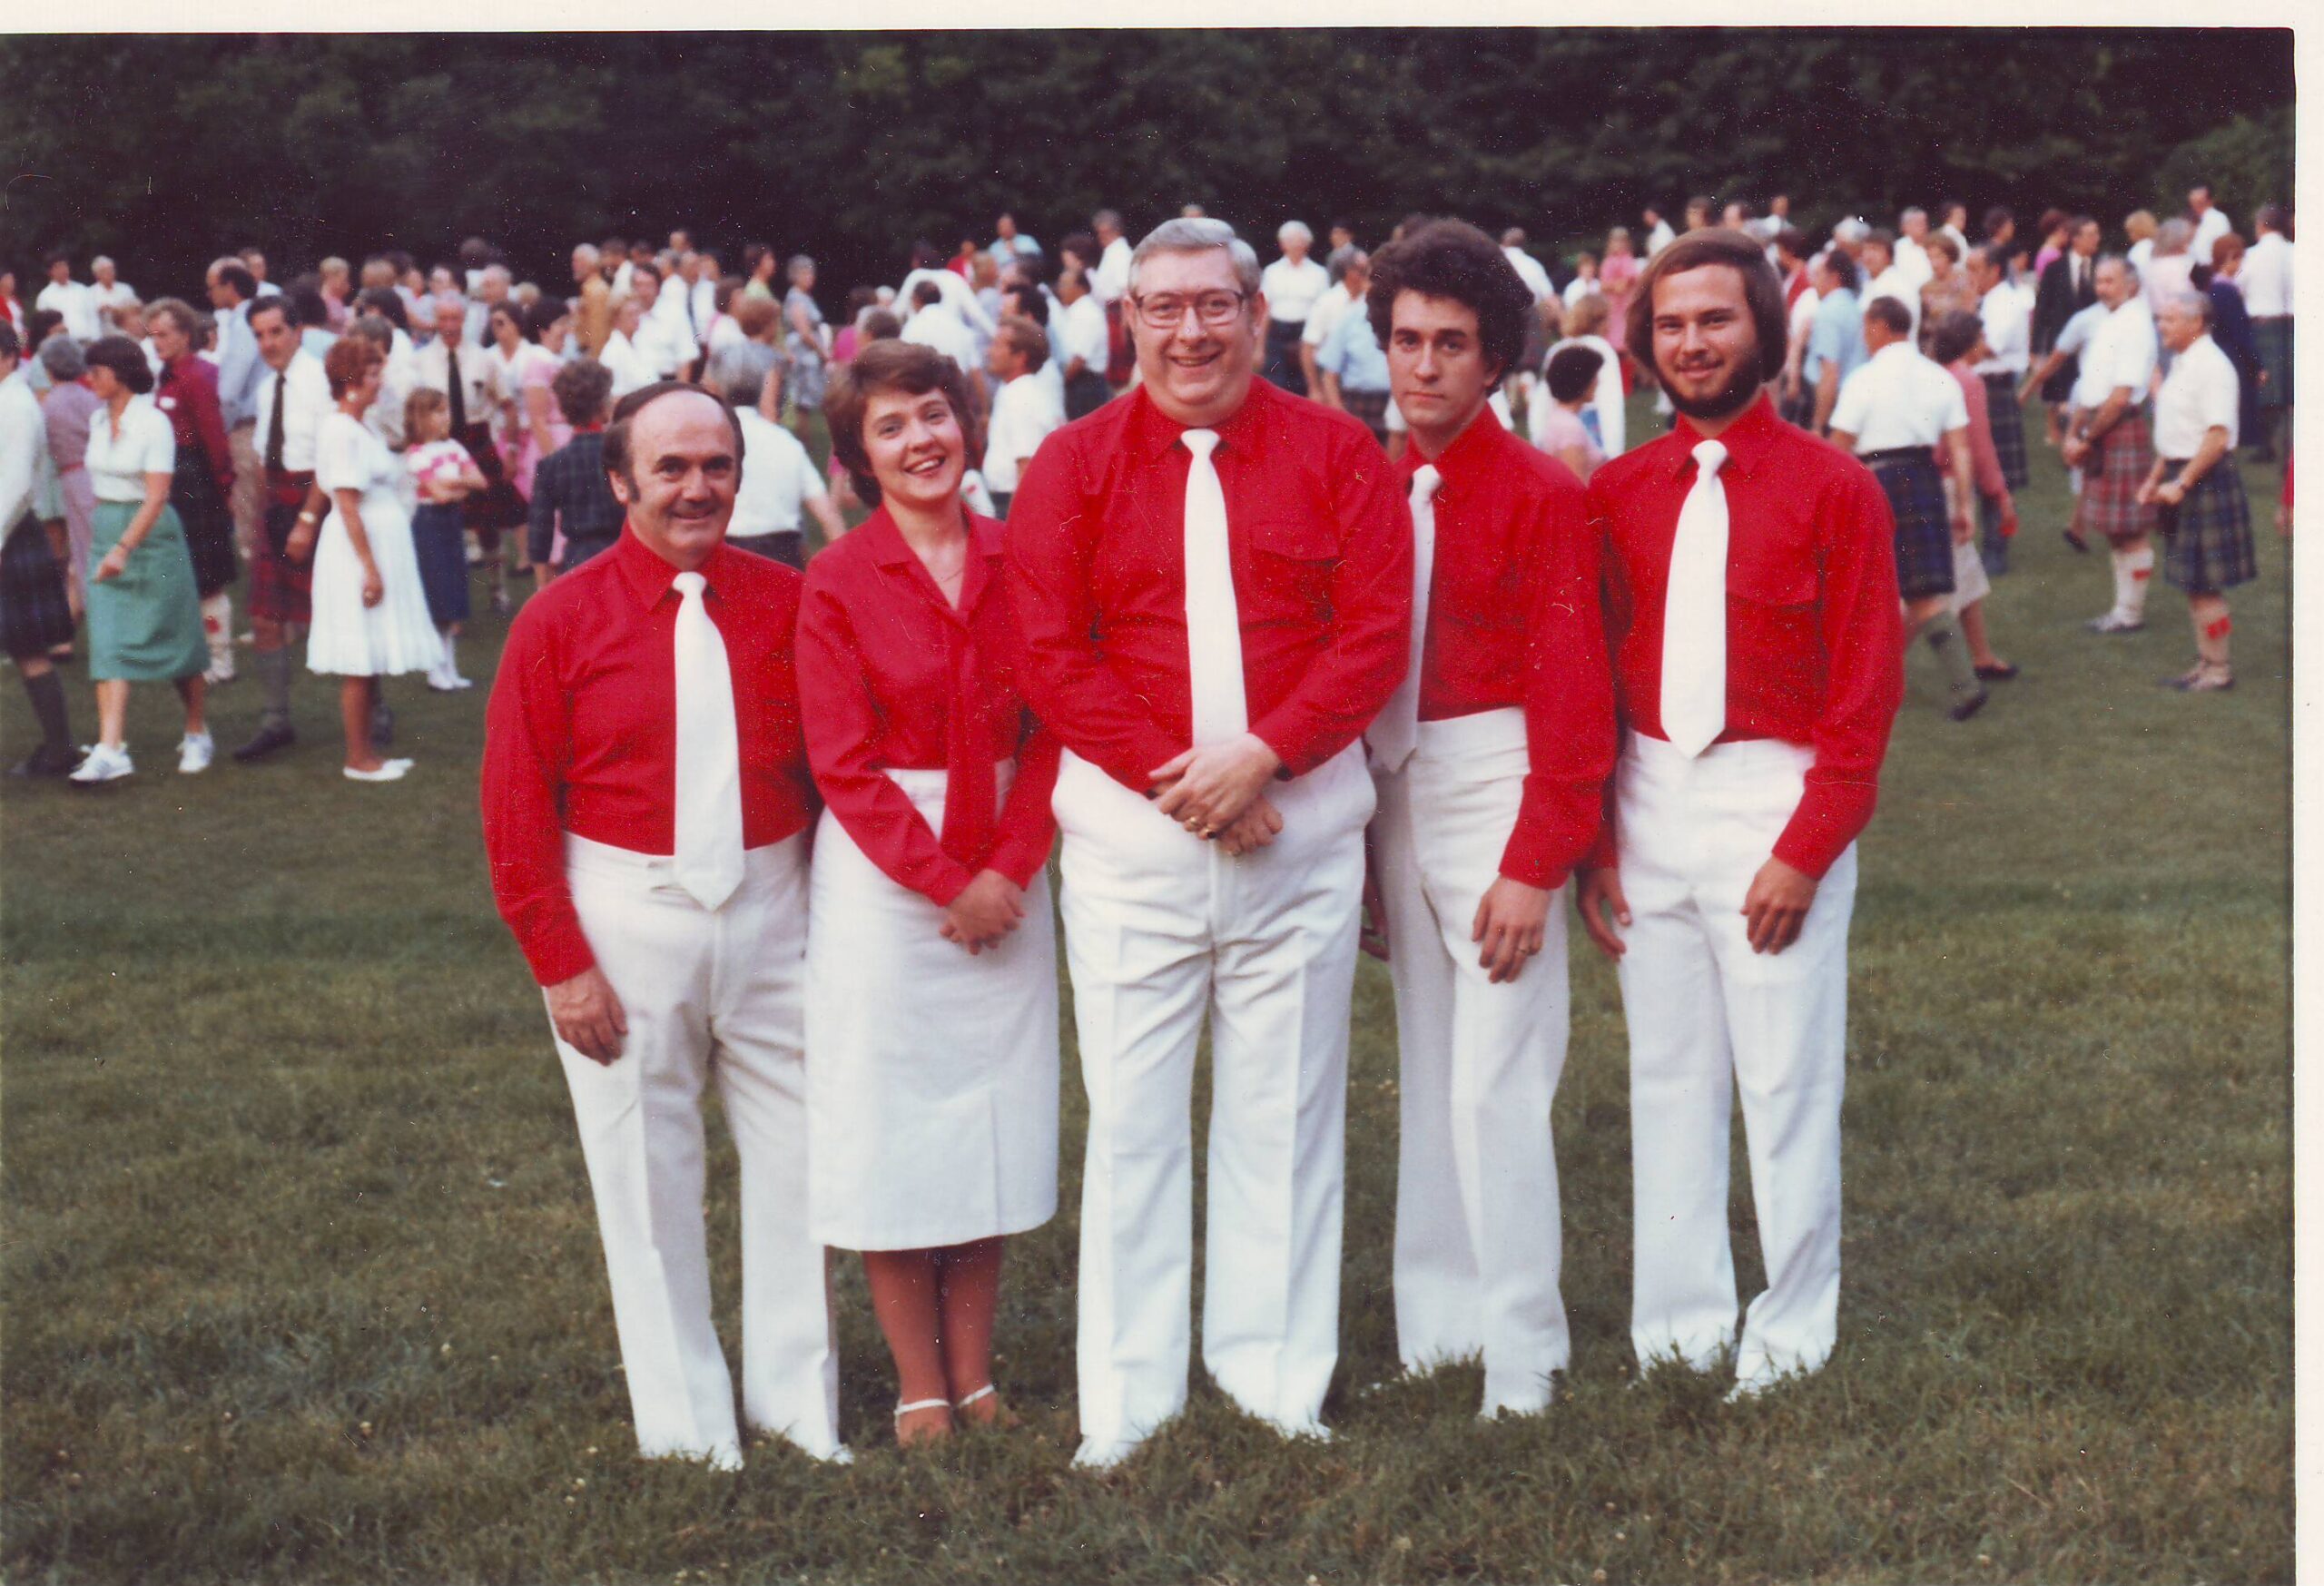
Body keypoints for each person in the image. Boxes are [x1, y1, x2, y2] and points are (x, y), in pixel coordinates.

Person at [1007, 217, 1408, 1469]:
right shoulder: (1071, 463)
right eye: (1163, 308)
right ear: (1128, 322)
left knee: (1283, 1119)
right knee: (1133, 1125)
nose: (1190, 332)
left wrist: (1266, 754)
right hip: (1135, 852)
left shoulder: (1337, 452)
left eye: (1213, 305)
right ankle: (1128, 1403)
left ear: (1257, 313)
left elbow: (1372, 634)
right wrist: (1187, 782)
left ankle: (1272, 1378)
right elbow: (1049, 651)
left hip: (1299, 839)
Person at [481, 380, 847, 1471]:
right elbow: (514, 803)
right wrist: (561, 963)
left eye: (715, 466)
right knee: (646, 1176)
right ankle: (689, 1425)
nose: (695, 488)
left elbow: (840, 769)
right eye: (671, 467)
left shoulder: (790, 602)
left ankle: (799, 1403)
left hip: (777, 904)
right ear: (620, 480)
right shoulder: (559, 620)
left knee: (803, 1163)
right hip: (626, 915)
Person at [1576, 227, 1904, 1400]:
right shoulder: (1617, 491)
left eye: (1715, 318)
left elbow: (1864, 692)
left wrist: (1806, 850)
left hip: (1777, 795)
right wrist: (1600, 845)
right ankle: (1678, 1326)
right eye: (1670, 324)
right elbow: (1595, 680)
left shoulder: (1835, 486)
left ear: (1763, 326)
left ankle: (1793, 1327)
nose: (1692, 342)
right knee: (1668, 1077)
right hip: (1652, 796)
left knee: (1784, 1078)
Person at [1361, 220, 1613, 1420]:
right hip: (1395, 792)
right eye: (1407, 340)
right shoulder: (1373, 485)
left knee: (1495, 1083)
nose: (1424, 365)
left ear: (1495, 359)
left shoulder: (1541, 493)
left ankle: (1522, 1356)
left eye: (1451, 344)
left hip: (1499, 786)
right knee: (1429, 1066)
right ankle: (1438, 1326)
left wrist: (1535, 859)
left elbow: (1573, 693)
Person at [794, 339, 1061, 1447]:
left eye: (936, 414)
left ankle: (977, 1374)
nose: (921, 440)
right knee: (893, 1124)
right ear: (860, 456)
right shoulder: (837, 578)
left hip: (1008, 856)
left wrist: (1007, 867)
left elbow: (1053, 730)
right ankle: (918, 1383)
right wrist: (949, 881)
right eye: (891, 426)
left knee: (988, 1117)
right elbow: (842, 762)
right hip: (885, 880)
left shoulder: (1022, 555)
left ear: (969, 424)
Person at [1828, 294, 1986, 722]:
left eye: (1867, 327)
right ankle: (1961, 684)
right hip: (1926, 480)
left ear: (1880, 327)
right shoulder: (1939, 378)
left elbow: (1839, 446)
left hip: (1878, 482)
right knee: (1923, 592)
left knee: (1873, 592)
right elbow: (1960, 449)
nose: (1865, 336)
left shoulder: (1863, 379)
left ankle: (1863, 686)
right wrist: (1965, 504)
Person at [69, 336, 214, 784]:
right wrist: (104, 543)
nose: (91, 378)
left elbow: (156, 497)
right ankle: (111, 749)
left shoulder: (153, 423)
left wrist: (124, 548)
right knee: (108, 639)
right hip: (107, 530)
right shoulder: (97, 419)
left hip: (152, 537)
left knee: (176, 636)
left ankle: (197, 731)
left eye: (98, 371)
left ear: (120, 372)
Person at [306, 336, 438, 778]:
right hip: (356, 553)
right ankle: (358, 759)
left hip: (378, 543)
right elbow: (347, 505)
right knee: (358, 659)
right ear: (351, 381)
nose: (380, 382)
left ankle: (367, 753)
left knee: (369, 653)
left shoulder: (363, 426)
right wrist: (369, 568)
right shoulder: (341, 430)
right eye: (373, 374)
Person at [234, 296, 335, 762]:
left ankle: (374, 711)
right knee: (264, 618)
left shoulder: (320, 381)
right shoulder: (265, 388)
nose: (268, 343)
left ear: (296, 331)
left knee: (337, 613)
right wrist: (260, 518)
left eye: (276, 332)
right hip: (277, 503)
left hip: (316, 501)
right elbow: (261, 460)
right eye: (259, 335)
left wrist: (308, 521)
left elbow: (332, 459)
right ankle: (276, 722)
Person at [2140, 291, 2255, 692]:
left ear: (2196, 323)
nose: (2161, 326)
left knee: (2206, 586)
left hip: (2204, 478)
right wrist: (2155, 478)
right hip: (2183, 474)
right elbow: (2179, 431)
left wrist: (2182, 482)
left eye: (2169, 319)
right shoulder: (2183, 362)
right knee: (2194, 583)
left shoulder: (2212, 367)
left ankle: (2219, 668)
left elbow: (2218, 435)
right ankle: (2206, 662)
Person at [2061, 258, 2162, 632]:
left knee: (2130, 529)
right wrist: (2073, 433)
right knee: (2116, 529)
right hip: (2101, 425)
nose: (2102, 288)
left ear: (2131, 285)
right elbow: (2092, 385)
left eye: (2110, 281)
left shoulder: (2135, 324)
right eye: (2099, 281)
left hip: (2119, 427)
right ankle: (2123, 610)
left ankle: (2130, 614)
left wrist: (2086, 439)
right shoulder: (2110, 320)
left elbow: (2119, 397)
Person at [145, 299, 240, 685]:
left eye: (164, 334)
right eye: (153, 335)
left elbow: (214, 437)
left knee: (207, 575)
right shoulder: (167, 374)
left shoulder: (199, 375)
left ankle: (221, 658)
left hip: (197, 477)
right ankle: (196, 652)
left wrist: (224, 486)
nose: (157, 342)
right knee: (185, 571)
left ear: (186, 335)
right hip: (174, 478)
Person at [1, 324, 80, 776]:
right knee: (23, 647)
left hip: (8, 532)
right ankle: (58, 747)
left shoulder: (15, 404)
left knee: (28, 647)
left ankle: (60, 749)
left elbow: (15, 485)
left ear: (10, 356)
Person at [1926, 309, 2018, 682]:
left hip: (1927, 481)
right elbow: (1979, 446)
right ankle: (1875, 670)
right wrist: (2000, 493)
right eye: (1982, 339)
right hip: (1949, 485)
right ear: (1969, 343)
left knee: (1967, 574)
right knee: (1940, 584)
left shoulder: (1934, 375)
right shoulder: (1968, 381)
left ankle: (1982, 656)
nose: (1986, 345)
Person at [415, 292, 515, 615]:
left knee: (489, 525)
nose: (449, 326)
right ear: (435, 320)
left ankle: (498, 589)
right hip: (438, 445)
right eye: (442, 319)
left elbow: (507, 405)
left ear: (465, 319)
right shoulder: (420, 361)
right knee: (442, 524)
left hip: (478, 442)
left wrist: (511, 449)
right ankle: (445, 598)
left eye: (455, 319)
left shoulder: (484, 359)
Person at [720, 351, 844, 567]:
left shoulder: (715, 438)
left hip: (728, 555)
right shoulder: (785, 441)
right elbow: (828, 516)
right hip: (784, 556)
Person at [404, 388, 487, 690]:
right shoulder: (417, 453)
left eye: (446, 411)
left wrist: (453, 482)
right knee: (437, 596)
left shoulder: (453, 447)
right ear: (420, 418)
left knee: (451, 595)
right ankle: (435, 670)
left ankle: (450, 668)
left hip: (451, 522)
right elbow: (438, 495)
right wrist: (459, 486)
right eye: (437, 412)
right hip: (430, 524)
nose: (445, 417)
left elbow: (480, 481)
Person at [1966, 244, 2032, 573]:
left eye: (1974, 269)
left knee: (1997, 473)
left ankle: (1996, 552)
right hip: (1980, 388)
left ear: (1993, 270)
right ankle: (1987, 547)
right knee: (1980, 470)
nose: (1969, 277)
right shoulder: (1987, 301)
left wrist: (1961, 331)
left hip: (1995, 390)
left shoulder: (2005, 302)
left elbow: (1987, 348)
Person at [527, 359, 624, 576]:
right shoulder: (622, 457)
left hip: (577, 562)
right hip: (621, 555)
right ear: (602, 406)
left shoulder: (551, 465)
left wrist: (543, 584)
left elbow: (539, 533)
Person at [38, 335, 100, 618]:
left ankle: (92, 604)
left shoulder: (49, 404)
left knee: (85, 544)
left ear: (49, 368)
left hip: (73, 476)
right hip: (94, 472)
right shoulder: (90, 397)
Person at [981, 316, 1064, 519]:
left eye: (997, 345)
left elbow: (1026, 468)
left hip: (1011, 502)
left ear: (1020, 357)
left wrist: (1016, 525)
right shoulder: (1017, 390)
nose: (988, 352)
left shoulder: (1021, 397)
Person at [1314, 261, 1393, 447]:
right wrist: (1341, 415)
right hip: (1356, 405)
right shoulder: (1349, 321)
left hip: (1393, 404)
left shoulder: (1401, 321)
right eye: (1374, 282)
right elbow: (1329, 375)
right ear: (1364, 284)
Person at [1547, 293, 1626, 460]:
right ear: (1599, 320)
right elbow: (1610, 402)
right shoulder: (1602, 349)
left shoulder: (1558, 349)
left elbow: (1545, 399)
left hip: (1556, 426)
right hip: (1592, 428)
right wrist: (1614, 451)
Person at [2241, 206, 2293, 461]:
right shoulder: (2297, 253)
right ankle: (2287, 446)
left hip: (2263, 324)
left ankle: (2268, 446)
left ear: (2262, 225)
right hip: (2294, 323)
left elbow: (2239, 288)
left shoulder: (2250, 256)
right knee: (2291, 387)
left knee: (2265, 386)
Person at [1259, 221, 1331, 395]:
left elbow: (1325, 312)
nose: (1295, 246)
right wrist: (1259, 347)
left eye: (1300, 241)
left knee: (1304, 387)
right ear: (1282, 244)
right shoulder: (1272, 272)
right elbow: (1265, 310)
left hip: (1306, 334)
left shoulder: (1319, 273)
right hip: (1277, 334)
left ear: (1308, 245)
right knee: (1275, 385)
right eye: (1290, 241)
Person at [1805, 250, 1867, 435]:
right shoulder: (1855, 307)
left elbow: (1830, 372)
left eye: (1818, 275)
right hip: (1849, 401)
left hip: (1829, 404)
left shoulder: (1829, 312)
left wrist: (1818, 425)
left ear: (1833, 278)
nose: (1813, 282)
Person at [1533, 342, 1609, 480]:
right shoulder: (1570, 428)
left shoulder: (1558, 418)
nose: (1598, 382)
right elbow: (1577, 484)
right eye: (1594, 377)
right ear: (1582, 381)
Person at [1054, 267, 1111, 420]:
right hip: (1079, 382)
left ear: (1080, 288)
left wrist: (1059, 386)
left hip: (1085, 385)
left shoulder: (1087, 314)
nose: (1060, 289)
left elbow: (1078, 360)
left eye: (1064, 285)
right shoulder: (1076, 311)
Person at [783, 257, 832, 419]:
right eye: (805, 273)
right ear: (795, 276)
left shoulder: (805, 297)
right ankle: (803, 435)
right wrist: (822, 352)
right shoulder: (796, 298)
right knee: (804, 403)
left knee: (808, 402)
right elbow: (804, 331)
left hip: (809, 355)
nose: (810, 277)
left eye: (811, 273)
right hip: (804, 355)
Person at [36, 254, 100, 344]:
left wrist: (96, 339)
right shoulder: (45, 296)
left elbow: (93, 317)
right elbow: (44, 326)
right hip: (63, 344)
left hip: (87, 341)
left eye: (65, 265)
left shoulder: (82, 290)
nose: (63, 269)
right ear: (50, 272)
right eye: (58, 267)